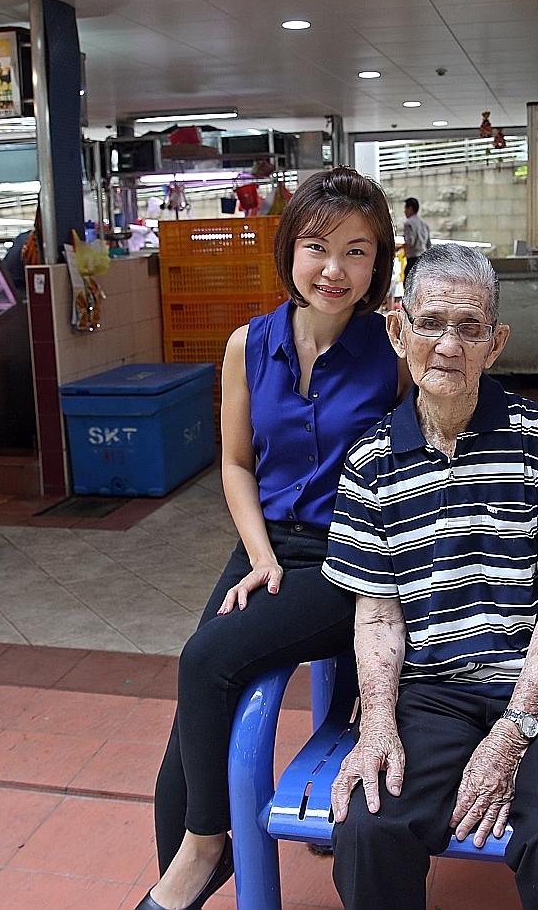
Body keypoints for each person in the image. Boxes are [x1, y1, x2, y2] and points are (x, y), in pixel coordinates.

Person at [324, 244, 538, 910]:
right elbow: (377, 616)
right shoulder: (371, 462)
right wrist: (377, 719)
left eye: (469, 327)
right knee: (370, 826)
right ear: (397, 328)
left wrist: (511, 732)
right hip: (433, 689)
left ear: (496, 344)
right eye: (431, 322)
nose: (448, 345)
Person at [142, 167, 401, 910]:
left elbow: (452, 409)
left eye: (357, 251)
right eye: (318, 246)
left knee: (208, 657)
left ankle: (202, 852)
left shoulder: (392, 351)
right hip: (266, 546)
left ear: (377, 263)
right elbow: (233, 461)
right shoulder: (246, 345)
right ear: (289, 249)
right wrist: (257, 554)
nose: (334, 269)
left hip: (350, 559)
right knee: (184, 742)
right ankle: (193, 872)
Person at [400, 196, 431, 283]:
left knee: (408, 284)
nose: (404, 211)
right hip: (423, 259)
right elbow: (428, 244)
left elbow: (410, 242)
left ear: (410, 208)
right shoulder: (424, 224)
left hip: (413, 259)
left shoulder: (409, 223)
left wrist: (399, 248)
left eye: (405, 208)